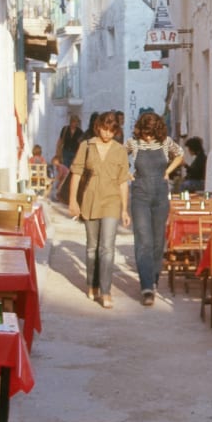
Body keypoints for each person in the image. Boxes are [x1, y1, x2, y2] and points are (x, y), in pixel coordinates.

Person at [67, 112, 131, 306]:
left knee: (107, 248)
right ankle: (91, 285)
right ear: (98, 127)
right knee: (92, 248)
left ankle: (106, 291)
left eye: (112, 130)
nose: (107, 134)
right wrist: (73, 202)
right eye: (104, 129)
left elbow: (123, 181)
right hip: (90, 199)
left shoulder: (120, 150)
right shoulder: (86, 146)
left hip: (112, 201)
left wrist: (124, 210)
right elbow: (76, 174)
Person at [127, 111, 183, 305]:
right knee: (143, 239)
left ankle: (154, 277)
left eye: (151, 132)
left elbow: (180, 155)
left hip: (160, 194)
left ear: (157, 130)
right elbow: (117, 157)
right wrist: (128, 175)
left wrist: (167, 171)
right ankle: (147, 287)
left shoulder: (166, 143)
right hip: (140, 194)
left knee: (158, 240)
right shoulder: (133, 143)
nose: (148, 136)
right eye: (145, 132)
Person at [52, 115, 84, 202]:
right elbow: (60, 141)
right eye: (73, 122)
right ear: (71, 122)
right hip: (65, 152)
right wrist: (57, 152)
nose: (75, 124)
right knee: (64, 173)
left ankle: (69, 192)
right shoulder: (65, 129)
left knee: (71, 173)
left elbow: (81, 145)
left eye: (76, 122)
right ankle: (62, 192)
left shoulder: (80, 132)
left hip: (74, 153)